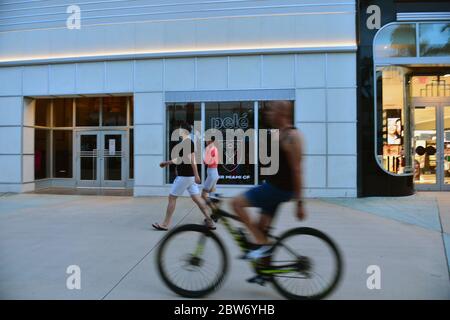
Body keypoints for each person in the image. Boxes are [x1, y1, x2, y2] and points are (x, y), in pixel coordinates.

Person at [231, 100, 305, 261]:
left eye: (271, 111)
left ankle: (264, 244)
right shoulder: (279, 134)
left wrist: (300, 203)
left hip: (278, 190)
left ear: (282, 113)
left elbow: (297, 170)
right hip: (274, 187)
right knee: (259, 228)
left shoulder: (291, 136)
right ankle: (264, 272)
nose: (268, 114)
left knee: (235, 204)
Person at [153, 123, 215, 231]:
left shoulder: (187, 143)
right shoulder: (185, 143)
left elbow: (192, 160)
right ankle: (210, 221)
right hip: (188, 177)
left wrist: (197, 175)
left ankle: (165, 224)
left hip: (185, 176)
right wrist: (167, 163)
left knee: (172, 197)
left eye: (180, 129)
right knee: (197, 199)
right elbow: (180, 159)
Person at [202, 136, 220, 201]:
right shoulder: (215, 148)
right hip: (215, 172)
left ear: (210, 141)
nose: (206, 141)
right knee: (212, 191)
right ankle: (214, 207)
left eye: (206, 140)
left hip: (211, 173)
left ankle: (210, 207)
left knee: (204, 194)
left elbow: (206, 162)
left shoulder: (208, 149)